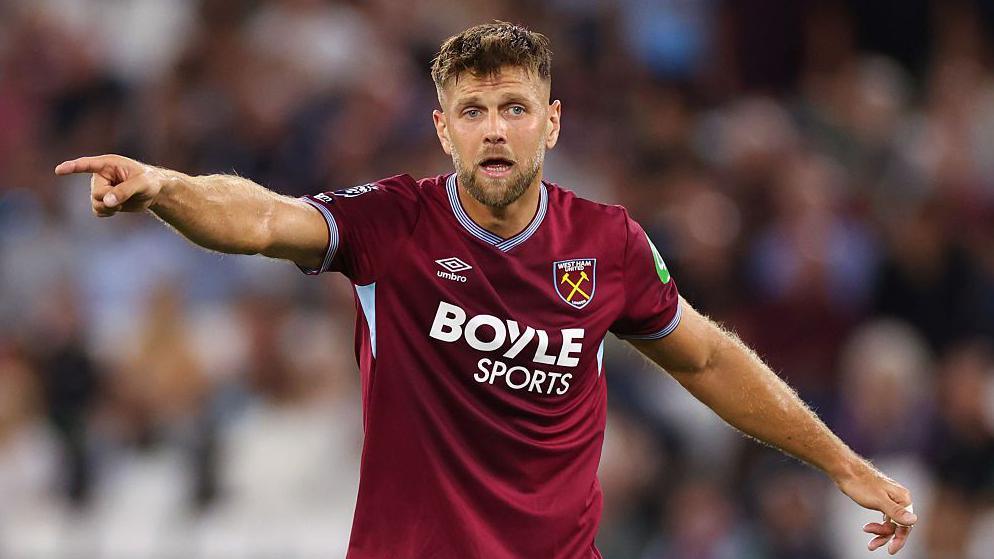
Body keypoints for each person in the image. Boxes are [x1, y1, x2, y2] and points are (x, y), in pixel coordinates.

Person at [55, 21, 918, 559]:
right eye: (473, 111)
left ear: (551, 122)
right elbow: (266, 219)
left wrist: (840, 460)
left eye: (513, 107)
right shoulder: (394, 223)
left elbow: (707, 358)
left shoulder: (607, 242)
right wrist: (166, 187)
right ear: (443, 129)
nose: (494, 128)